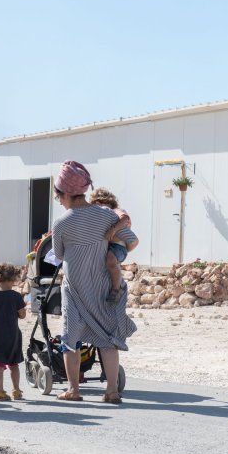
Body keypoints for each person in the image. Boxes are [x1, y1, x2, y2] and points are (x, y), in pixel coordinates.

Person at [51, 160, 138, 404]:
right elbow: (131, 241)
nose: (58, 200)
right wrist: (112, 245)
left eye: (58, 196)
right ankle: (111, 391)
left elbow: (58, 255)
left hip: (75, 289)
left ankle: (73, 390)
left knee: (71, 339)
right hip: (101, 286)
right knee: (108, 337)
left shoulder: (61, 223)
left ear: (66, 193)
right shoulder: (106, 216)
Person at [0, 263, 27, 401]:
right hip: (13, 335)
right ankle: (16, 390)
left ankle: (0, 392)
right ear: (14, 280)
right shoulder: (16, 296)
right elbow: (22, 315)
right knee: (14, 364)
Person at [88, 188, 135, 305]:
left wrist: (113, 230)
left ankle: (116, 288)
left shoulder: (116, 211)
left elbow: (125, 219)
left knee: (110, 259)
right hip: (106, 247)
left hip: (118, 247)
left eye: (100, 205)